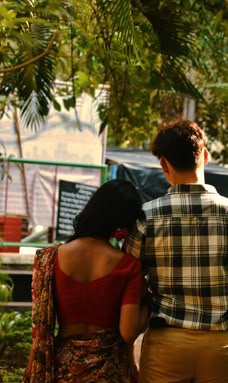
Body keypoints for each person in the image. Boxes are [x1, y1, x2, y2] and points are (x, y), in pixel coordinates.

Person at [124, 120, 228, 383]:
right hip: (222, 346)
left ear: (163, 164)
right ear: (205, 155)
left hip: (166, 345)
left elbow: (128, 278)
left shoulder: (147, 216)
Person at [23, 179, 150, 383]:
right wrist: (147, 305)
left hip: (64, 369)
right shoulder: (128, 266)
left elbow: (40, 327)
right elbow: (128, 333)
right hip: (110, 371)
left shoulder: (48, 259)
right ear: (125, 224)